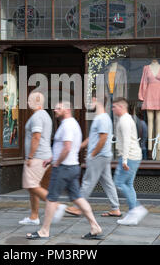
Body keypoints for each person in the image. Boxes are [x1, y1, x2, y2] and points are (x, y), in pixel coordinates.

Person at [26, 101, 103, 240]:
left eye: (58, 108)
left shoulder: (67, 125)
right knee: (77, 198)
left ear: (67, 110)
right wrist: (51, 158)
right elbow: (68, 147)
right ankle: (95, 226)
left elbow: (67, 147)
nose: (55, 110)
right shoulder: (73, 124)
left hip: (63, 167)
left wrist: (57, 162)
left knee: (51, 199)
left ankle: (44, 230)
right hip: (73, 167)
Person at [65, 97, 122, 217]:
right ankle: (115, 208)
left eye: (90, 101)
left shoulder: (102, 118)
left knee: (87, 181)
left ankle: (78, 208)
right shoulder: (100, 118)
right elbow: (92, 138)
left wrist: (93, 154)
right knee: (107, 182)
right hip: (103, 156)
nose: (89, 104)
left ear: (96, 100)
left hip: (99, 156)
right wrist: (79, 147)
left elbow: (103, 138)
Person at [18, 92, 54, 225]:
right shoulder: (45, 115)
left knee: (31, 186)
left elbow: (36, 137)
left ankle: (57, 206)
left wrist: (30, 156)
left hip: (37, 157)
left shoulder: (37, 117)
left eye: (30, 100)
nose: (28, 102)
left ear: (37, 101)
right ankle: (34, 216)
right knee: (34, 187)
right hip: (44, 156)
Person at [112, 97, 148, 225]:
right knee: (128, 184)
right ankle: (133, 213)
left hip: (130, 156)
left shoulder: (124, 121)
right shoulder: (126, 119)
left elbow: (127, 140)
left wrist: (124, 160)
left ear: (121, 107)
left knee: (119, 182)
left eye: (114, 106)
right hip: (134, 155)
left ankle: (136, 209)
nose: (113, 109)